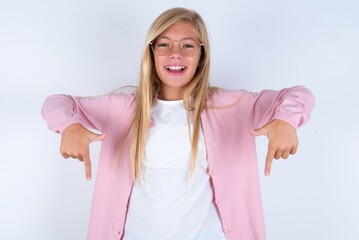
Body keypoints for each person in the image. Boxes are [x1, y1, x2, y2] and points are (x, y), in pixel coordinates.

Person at [41, 7, 315, 240]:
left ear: (201, 55)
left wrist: (285, 120)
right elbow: (57, 102)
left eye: (187, 45)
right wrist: (69, 126)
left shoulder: (230, 106)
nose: (176, 53)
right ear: (151, 53)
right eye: (164, 44)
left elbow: (297, 95)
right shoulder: (124, 109)